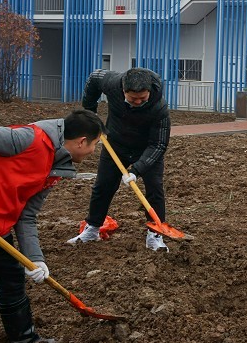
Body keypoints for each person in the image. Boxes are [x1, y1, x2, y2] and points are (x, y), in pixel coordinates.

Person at [0, 110, 104, 343]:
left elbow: (27, 215)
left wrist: (35, 258)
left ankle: (24, 339)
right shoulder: (29, 139)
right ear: (82, 141)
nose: (93, 151)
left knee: (12, 280)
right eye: (95, 144)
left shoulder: (57, 164)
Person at [68, 67, 172, 251]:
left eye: (143, 99)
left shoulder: (160, 108)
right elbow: (94, 78)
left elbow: (159, 145)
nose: (138, 102)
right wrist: (90, 112)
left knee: (155, 189)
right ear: (123, 90)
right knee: (103, 186)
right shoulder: (112, 83)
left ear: (149, 91)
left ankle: (155, 236)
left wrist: (136, 170)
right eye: (133, 99)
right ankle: (92, 229)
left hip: (146, 148)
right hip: (116, 143)